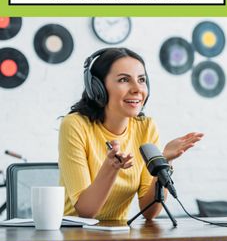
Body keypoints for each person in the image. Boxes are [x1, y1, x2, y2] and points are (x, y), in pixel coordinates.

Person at [59, 47, 203, 220]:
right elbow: (86, 212)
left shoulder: (146, 127)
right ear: (97, 88)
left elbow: (149, 212)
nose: (137, 89)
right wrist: (110, 168)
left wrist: (164, 161)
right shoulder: (75, 125)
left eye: (141, 80)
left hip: (118, 235)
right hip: (74, 237)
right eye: (123, 80)